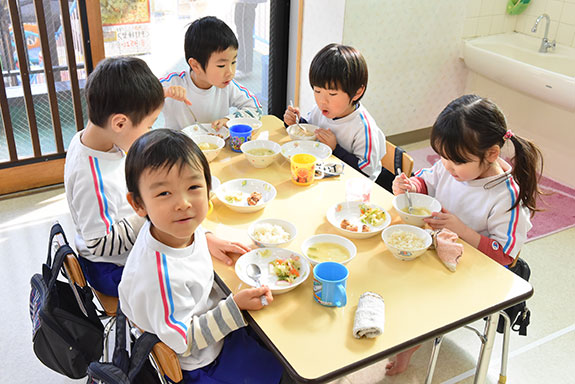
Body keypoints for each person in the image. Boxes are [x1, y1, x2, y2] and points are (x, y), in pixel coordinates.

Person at [64, 57, 249, 298]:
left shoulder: (100, 136)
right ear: (119, 123)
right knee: (207, 283)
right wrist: (151, 212)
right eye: (149, 125)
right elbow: (100, 244)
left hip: (134, 239)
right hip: (113, 268)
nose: (149, 132)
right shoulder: (90, 178)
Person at [388, 94, 543, 375]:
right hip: (442, 254)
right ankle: (405, 331)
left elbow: (506, 257)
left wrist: (462, 231)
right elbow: (429, 179)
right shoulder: (452, 166)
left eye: (455, 162)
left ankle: (410, 342)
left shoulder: (508, 197)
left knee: (417, 287)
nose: (447, 167)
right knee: (391, 267)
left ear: (492, 154)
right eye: (443, 158)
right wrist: (411, 186)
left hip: (479, 274)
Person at [119, 129, 285, 383]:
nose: (184, 203)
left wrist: (207, 238)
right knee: (281, 367)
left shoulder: (168, 228)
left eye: (194, 186)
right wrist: (234, 307)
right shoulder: (159, 278)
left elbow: (190, 223)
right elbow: (184, 342)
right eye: (164, 193)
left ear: (209, 189)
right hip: (198, 362)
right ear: (138, 204)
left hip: (201, 321)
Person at [283, 43, 386, 182]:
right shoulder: (319, 110)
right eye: (317, 91)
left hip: (352, 187)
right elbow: (311, 132)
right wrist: (296, 123)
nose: (322, 101)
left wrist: (335, 148)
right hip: (321, 175)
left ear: (357, 92)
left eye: (332, 94)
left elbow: (365, 172)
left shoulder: (364, 128)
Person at [161, 16, 262, 130]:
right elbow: (139, 97)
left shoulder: (227, 85)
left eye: (233, 62)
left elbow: (256, 108)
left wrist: (229, 120)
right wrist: (164, 93)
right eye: (221, 65)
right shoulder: (174, 83)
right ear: (195, 65)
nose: (230, 72)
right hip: (177, 147)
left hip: (216, 146)